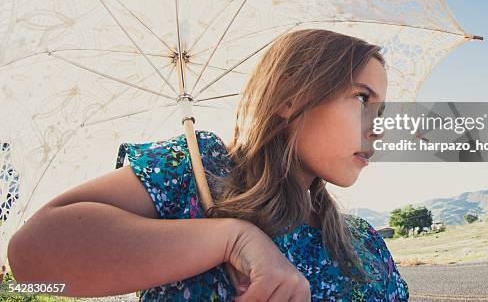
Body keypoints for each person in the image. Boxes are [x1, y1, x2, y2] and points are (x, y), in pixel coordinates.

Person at [7, 29, 409, 301]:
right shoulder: (195, 172)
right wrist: (231, 239)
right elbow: (31, 259)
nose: (378, 128)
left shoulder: (364, 244)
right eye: (361, 99)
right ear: (290, 96)